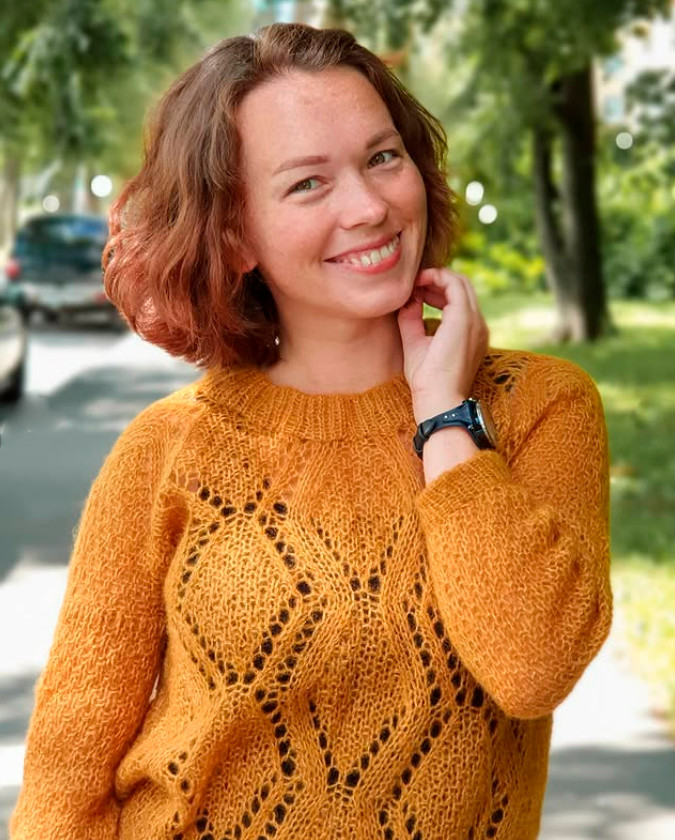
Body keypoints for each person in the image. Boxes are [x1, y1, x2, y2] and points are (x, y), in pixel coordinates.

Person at [10, 22, 613, 840]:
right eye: (307, 183)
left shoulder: (537, 407)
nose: (368, 208)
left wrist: (443, 417)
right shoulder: (167, 449)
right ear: (235, 235)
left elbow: (531, 667)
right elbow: (66, 774)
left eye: (382, 157)